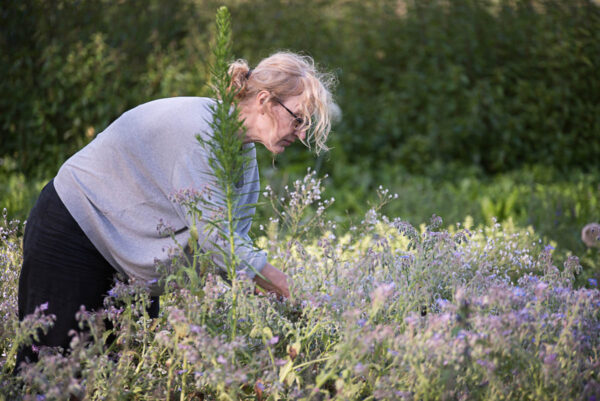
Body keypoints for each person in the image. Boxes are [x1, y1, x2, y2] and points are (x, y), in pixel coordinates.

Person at [16, 51, 335, 367]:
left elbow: (232, 246)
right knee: (48, 373)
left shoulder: (243, 154)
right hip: (73, 233)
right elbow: (217, 240)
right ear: (265, 100)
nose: (303, 133)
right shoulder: (201, 129)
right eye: (298, 118)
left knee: (117, 376)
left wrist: (279, 305)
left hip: (128, 258)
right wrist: (287, 289)